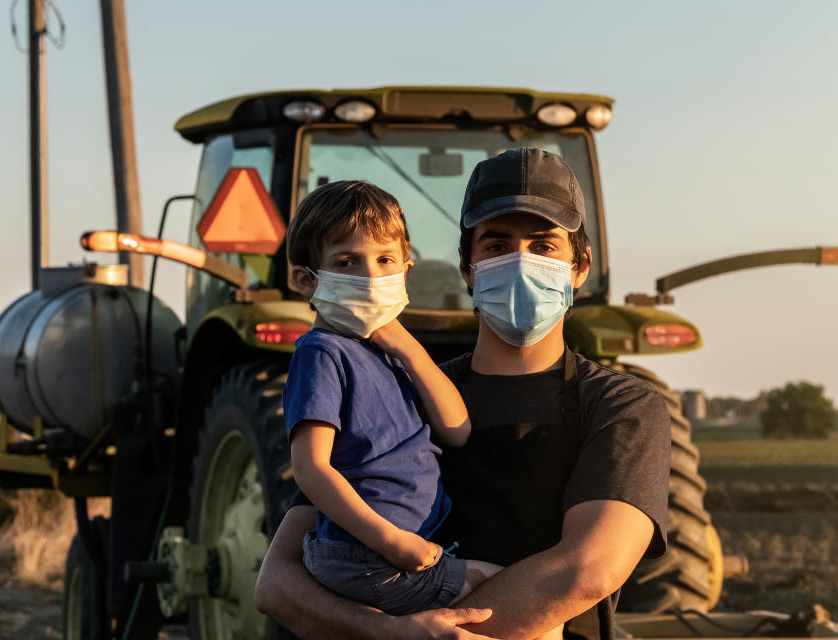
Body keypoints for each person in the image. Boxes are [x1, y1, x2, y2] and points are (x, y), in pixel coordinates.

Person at [256, 148, 671, 640]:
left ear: (579, 268)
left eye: (543, 247)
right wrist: (398, 634)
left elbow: (587, 570)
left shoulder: (620, 405)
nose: (520, 262)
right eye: (497, 246)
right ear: (466, 267)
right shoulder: (396, 389)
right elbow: (277, 582)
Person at [282, 180, 525, 624]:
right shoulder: (322, 352)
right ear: (305, 279)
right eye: (347, 262)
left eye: (384, 260)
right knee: (520, 600)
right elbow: (311, 468)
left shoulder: (389, 356)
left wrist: (410, 349)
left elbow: (456, 428)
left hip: (381, 552)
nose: (371, 277)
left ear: (406, 270)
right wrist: (391, 541)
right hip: (369, 554)